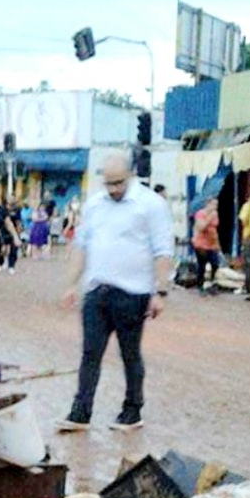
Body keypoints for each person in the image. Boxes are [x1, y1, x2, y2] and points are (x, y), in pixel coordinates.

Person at [58, 149, 174, 432]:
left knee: (130, 354)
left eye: (119, 182)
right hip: (97, 291)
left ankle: (132, 410)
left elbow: (163, 250)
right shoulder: (94, 206)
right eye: (109, 183)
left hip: (133, 294)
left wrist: (160, 292)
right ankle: (80, 411)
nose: (114, 189)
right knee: (90, 354)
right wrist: (71, 284)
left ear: (131, 175)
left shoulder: (151, 205)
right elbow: (81, 247)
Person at [191, 195, 221, 292]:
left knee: (215, 263)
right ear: (207, 204)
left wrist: (217, 243)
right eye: (213, 204)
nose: (214, 207)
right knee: (202, 265)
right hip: (200, 243)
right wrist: (209, 218)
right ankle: (200, 285)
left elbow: (215, 229)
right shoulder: (200, 214)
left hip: (211, 243)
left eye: (216, 205)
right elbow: (201, 227)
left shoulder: (215, 214)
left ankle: (211, 282)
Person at [0, 196, 21, 273]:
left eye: (13, 199)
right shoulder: (1, 209)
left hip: (13, 231)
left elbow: (18, 221)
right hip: (2, 231)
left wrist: (18, 231)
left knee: (14, 250)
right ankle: (0, 263)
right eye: (10, 198)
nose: (11, 200)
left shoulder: (17, 209)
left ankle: (11, 266)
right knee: (1, 249)